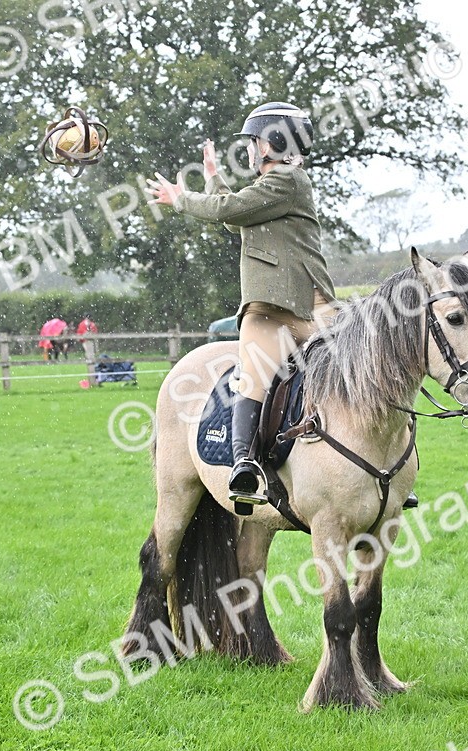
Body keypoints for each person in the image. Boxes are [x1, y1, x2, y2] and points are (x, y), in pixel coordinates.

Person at [146, 102, 337, 507]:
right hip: (271, 311)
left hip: (311, 307)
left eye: (254, 141)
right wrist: (213, 177)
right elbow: (235, 217)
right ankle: (245, 464)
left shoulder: (286, 179)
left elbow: (228, 209)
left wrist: (182, 199)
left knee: (364, 369)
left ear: (274, 142)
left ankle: (387, 470)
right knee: (253, 377)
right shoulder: (272, 190)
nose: (250, 149)